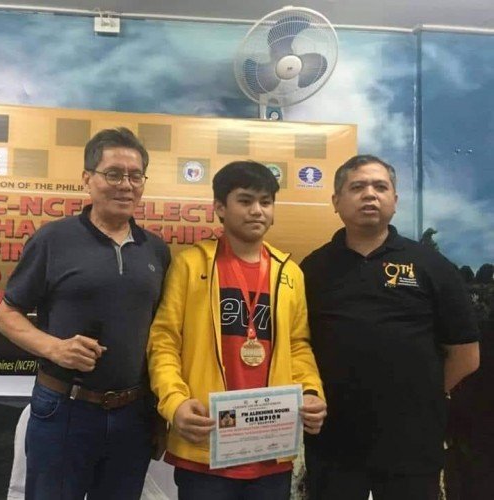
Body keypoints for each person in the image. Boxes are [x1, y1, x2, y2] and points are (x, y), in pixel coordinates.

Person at [0, 127, 171, 500]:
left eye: (135, 176)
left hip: (133, 414)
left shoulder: (155, 250)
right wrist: (54, 348)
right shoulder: (53, 239)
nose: (126, 184)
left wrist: (157, 414)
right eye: (113, 174)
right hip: (64, 409)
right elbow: (6, 314)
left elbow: (162, 337)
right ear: (87, 179)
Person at [301, 154, 480, 500]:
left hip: (412, 441)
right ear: (336, 201)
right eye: (357, 187)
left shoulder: (432, 265)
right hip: (334, 439)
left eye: (380, 186)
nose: (370, 194)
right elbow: (297, 345)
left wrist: (421, 393)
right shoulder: (312, 269)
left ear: (395, 201)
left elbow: (466, 354)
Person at [147, 160, 327, 500]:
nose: (257, 210)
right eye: (245, 200)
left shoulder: (290, 274)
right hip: (207, 443)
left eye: (266, 201)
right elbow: (164, 341)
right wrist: (176, 403)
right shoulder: (190, 264)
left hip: (271, 449)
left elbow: (299, 346)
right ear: (219, 208)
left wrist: (312, 392)